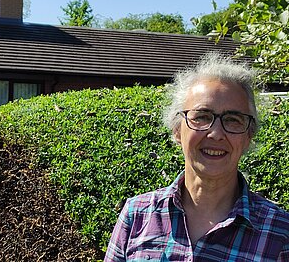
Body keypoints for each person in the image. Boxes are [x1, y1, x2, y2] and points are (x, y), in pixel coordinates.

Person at [104, 52, 289, 261]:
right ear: (177, 130)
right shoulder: (137, 215)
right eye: (202, 116)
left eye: (233, 120)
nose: (217, 134)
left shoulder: (280, 232)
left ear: (249, 136)